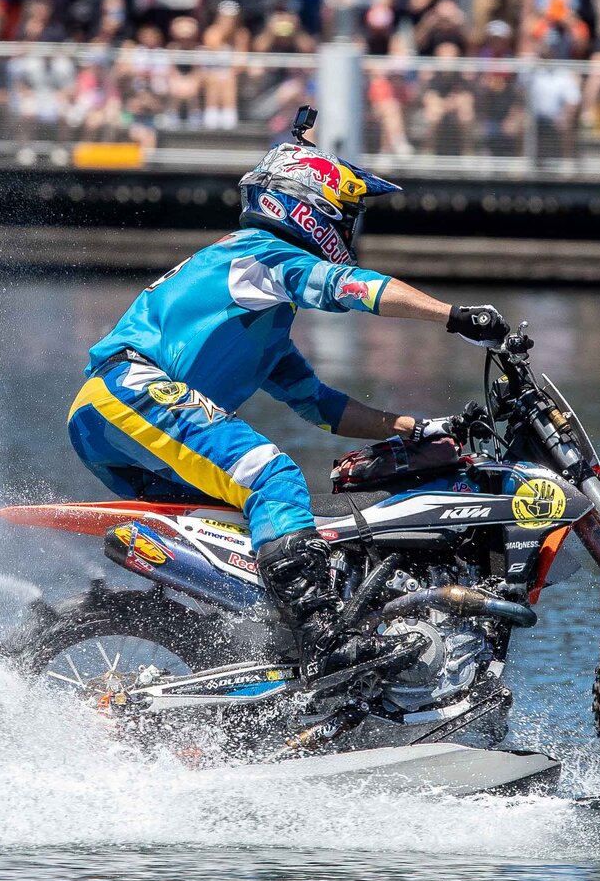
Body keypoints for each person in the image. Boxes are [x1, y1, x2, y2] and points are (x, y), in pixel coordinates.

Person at [66, 109, 508, 661]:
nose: (350, 230)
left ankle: (257, 663)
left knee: (249, 530)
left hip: (112, 416)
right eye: (347, 216)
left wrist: (419, 427)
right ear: (313, 205)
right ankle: (321, 640)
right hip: (131, 389)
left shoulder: (260, 318)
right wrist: (455, 316)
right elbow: (350, 287)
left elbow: (321, 406)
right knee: (273, 477)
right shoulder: (257, 256)